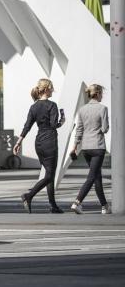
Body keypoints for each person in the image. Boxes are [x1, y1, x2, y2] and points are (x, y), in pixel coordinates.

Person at [13, 78, 65, 214]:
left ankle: (53, 205)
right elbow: (54, 125)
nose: (53, 90)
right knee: (49, 175)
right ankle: (28, 196)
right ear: (47, 89)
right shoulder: (52, 105)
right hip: (50, 142)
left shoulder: (34, 106)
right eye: (52, 88)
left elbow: (27, 126)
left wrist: (18, 142)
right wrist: (62, 122)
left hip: (39, 143)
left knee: (49, 173)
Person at [70, 84, 111, 215]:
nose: (102, 96)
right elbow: (105, 129)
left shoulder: (82, 110)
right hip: (98, 146)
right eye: (101, 94)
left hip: (86, 148)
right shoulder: (103, 108)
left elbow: (79, 130)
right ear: (98, 93)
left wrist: (74, 147)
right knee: (92, 177)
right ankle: (77, 202)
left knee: (97, 176)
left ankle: (104, 206)